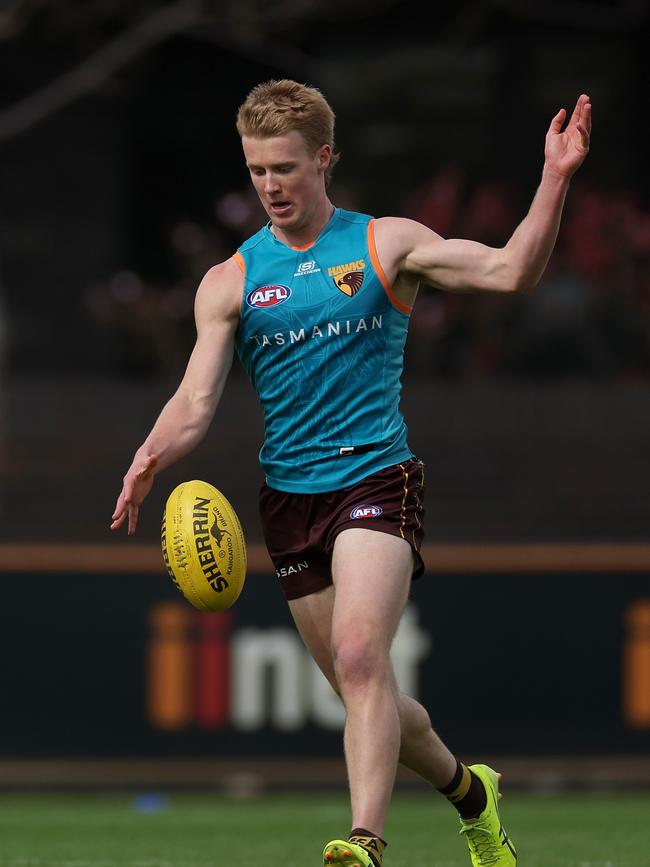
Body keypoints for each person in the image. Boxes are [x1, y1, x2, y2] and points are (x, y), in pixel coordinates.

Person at [111, 80, 591, 867]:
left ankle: (365, 841)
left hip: (375, 478)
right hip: (287, 502)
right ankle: (473, 793)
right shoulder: (231, 280)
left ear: (324, 157)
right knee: (367, 696)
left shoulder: (384, 244)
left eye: (286, 168)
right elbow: (196, 398)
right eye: (258, 169)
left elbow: (510, 272)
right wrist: (150, 456)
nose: (271, 186)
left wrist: (555, 177)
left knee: (365, 656)